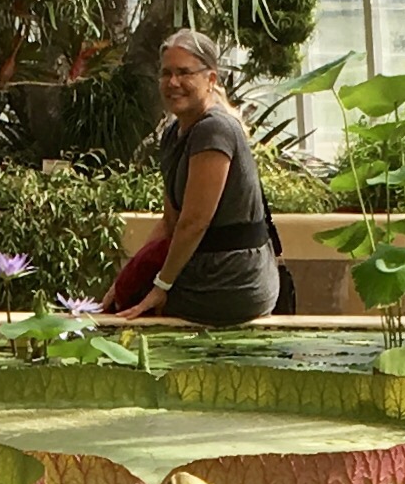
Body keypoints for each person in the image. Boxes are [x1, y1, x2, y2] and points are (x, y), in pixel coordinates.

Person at [103, 31, 282, 329]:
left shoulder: (214, 130)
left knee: (137, 318)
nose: (173, 82)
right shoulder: (173, 134)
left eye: (184, 73)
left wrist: (161, 286)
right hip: (200, 268)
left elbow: (194, 222)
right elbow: (170, 222)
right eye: (166, 73)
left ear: (210, 79)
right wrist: (126, 281)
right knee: (124, 301)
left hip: (231, 279)